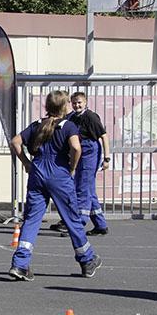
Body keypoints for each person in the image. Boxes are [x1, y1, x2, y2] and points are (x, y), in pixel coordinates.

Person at [8, 91, 101, 281]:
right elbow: (76, 148)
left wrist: (26, 162)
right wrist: (73, 167)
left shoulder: (37, 125)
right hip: (59, 173)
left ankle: (20, 264)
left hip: (38, 172)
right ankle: (87, 259)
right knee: (71, 218)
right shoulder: (68, 126)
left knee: (32, 219)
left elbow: (15, 141)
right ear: (65, 106)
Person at [52, 92, 111, 235]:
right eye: (74, 103)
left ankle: (77, 224)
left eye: (79, 102)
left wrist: (107, 158)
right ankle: (100, 225)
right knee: (89, 189)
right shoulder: (71, 117)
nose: (77, 105)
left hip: (90, 153)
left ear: (85, 102)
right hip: (79, 152)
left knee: (83, 190)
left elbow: (104, 136)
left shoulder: (91, 117)